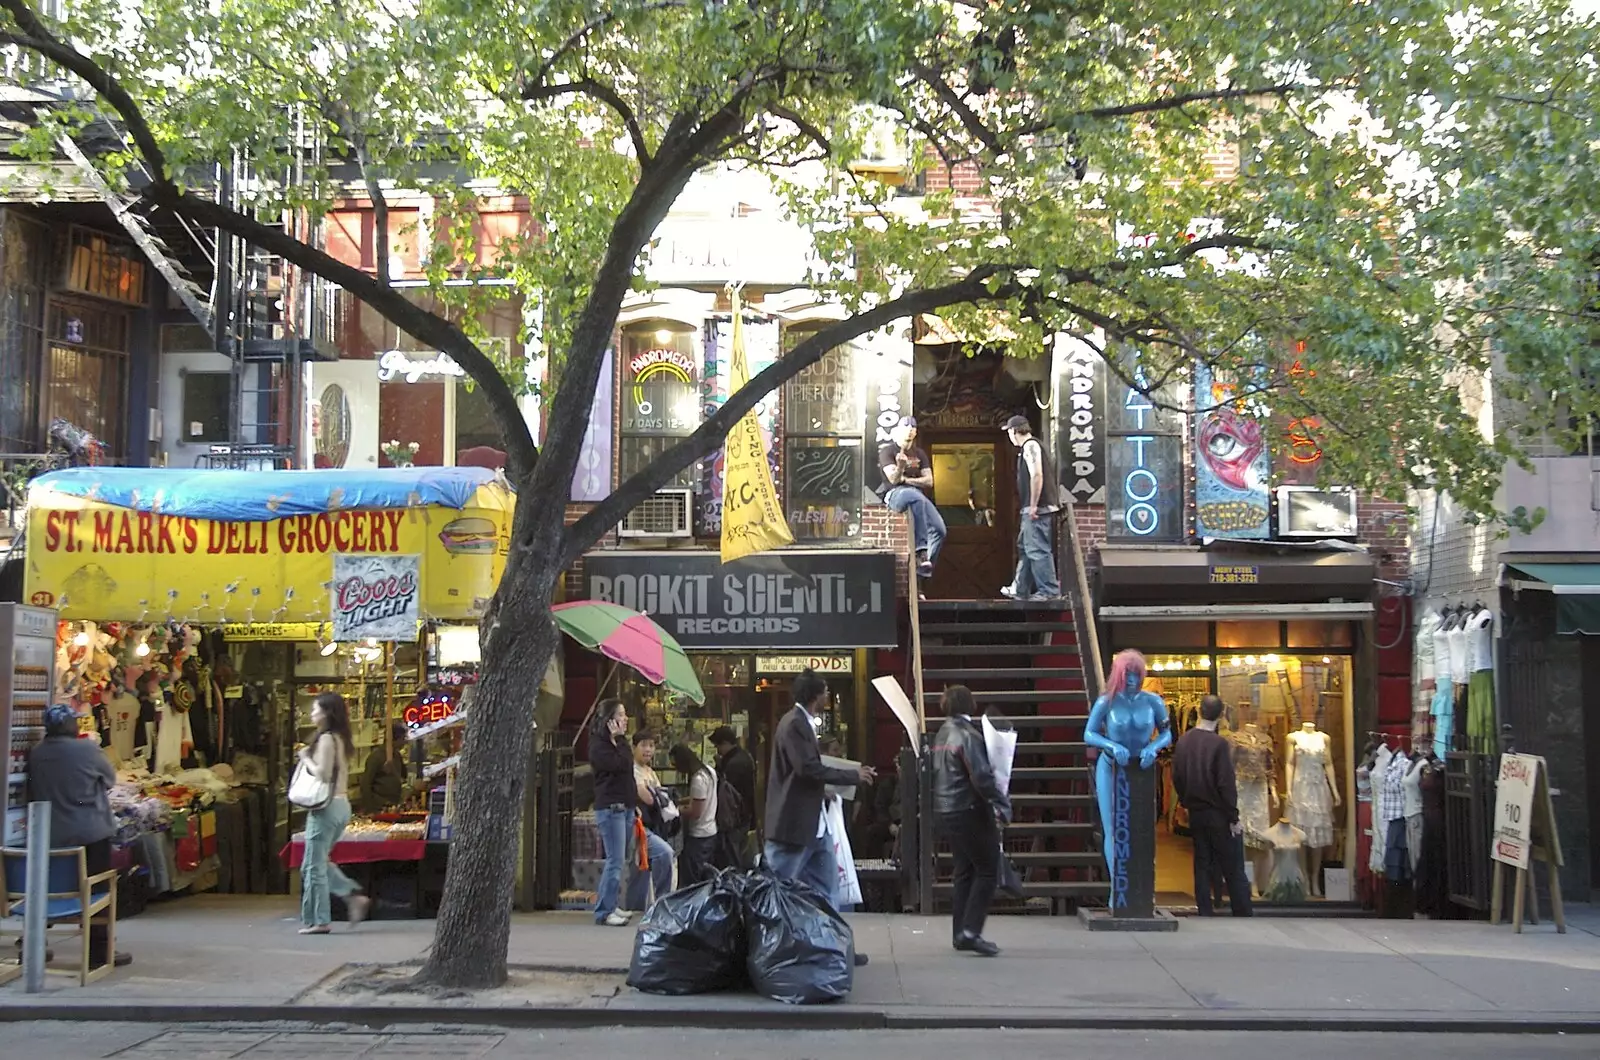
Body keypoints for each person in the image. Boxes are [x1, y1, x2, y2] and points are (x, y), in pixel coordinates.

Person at [765, 668, 876, 966]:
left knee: (829, 892)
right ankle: (766, 950)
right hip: (795, 826)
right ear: (815, 696)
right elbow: (808, 768)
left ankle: (839, 950)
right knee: (777, 890)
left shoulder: (800, 722)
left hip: (813, 825)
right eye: (825, 691)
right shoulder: (794, 725)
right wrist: (851, 775)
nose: (828, 695)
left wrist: (823, 791)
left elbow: (805, 773)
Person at [24, 705, 131, 967]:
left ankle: (34, 943)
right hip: (91, 831)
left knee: (51, 887)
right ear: (70, 725)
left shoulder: (37, 754)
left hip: (51, 835)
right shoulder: (87, 749)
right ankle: (98, 952)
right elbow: (109, 780)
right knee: (97, 889)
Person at [931, 686, 1011, 957]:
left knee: (964, 870)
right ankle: (971, 931)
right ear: (971, 704)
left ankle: (960, 931)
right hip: (968, 808)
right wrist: (1001, 802)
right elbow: (980, 775)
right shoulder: (969, 735)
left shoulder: (942, 732)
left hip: (945, 808)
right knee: (987, 869)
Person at [1084, 650, 1172, 885]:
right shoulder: (1107, 701)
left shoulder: (1153, 701)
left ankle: (1141, 887)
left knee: (1141, 826)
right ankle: (1117, 885)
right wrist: (1111, 745)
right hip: (1111, 766)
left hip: (1141, 767)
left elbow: (1167, 734)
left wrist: (1153, 748)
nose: (1132, 680)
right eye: (1128, 674)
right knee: (1113, 827)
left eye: (1137, 674)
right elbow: (1089, 733)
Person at [1173, 695, 1254, 917]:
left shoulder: (1184, 741)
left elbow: (1177, 777)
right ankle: (1242, 910)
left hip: (1196, 812)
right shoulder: (1219, 744)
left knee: (1202, 862)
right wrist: (1233, 817)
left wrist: (1186, 802)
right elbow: (1225, 784)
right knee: (1232, 865)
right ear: (1220, 716)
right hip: (1219, 813)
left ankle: (1205, 909)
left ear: (1198, 712)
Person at [297, 692, 372, 934]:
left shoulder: (327, 740)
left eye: (315, 709)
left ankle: (321, 920)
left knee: (314, 867)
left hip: (326, 807)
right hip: (340, 805)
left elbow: (323, 774)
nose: (311, 713)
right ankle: (350, 895)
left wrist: (305, 758)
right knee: (313, 863)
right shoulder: (340, 738)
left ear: (327, 712)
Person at [587, 699, 638, 926]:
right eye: (621, 715)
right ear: (610, 720)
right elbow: (624, 764)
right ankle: (604, 912)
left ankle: (611, 904)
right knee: (614, 860)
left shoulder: (615, 743)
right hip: (611, 809)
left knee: (621, 859)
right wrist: (620, 740)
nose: (625, 719)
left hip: (625, 807)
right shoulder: (599, 746)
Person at [1000, 414, 1062, 601]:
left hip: (1037, 508)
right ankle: (1019, 588)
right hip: (1036, 507)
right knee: (1026, 548)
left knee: (1037, 549)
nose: (1009, 436)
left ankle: (1049, 591)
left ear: (1013, 431)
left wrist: (1033, 505)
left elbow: (1036, 475)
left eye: (1009, 432)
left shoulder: (1030, 446)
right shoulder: (1035, 445)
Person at [878, 416, 946, 582]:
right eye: (905, 427)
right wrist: (901, 467)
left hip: (916, 495)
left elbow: (929, 481)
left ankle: (920, 574)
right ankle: (921, 552)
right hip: (895, 494)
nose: (908, 431)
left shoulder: (919, 454)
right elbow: (894, 480)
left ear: (915, 432)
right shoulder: (888, 451)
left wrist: (907, 480)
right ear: (898, 430)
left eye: (911, 428)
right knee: (916, 496)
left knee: (939, 530)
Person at [628, 731, 676, 912]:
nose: (648, 750)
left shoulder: (649, 771)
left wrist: (656, 794)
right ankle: (662, 904)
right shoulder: (633, 770)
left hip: (651, 825)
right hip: (636, 826)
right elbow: (648, 798)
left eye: (651, 745)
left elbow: (658, 796)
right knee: (664, 853)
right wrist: (656, 794)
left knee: (641, 870)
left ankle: (636, 910)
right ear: (634, 747)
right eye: (644, 745)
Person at [670, 744, 719, 887]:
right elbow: (699, 798)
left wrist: (675, 810)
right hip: (711, 831)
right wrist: (679, 800)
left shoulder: (698, 780)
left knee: (693, 878)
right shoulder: (709, 772)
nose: (675, 768)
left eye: (675, 764)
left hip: (699, 835)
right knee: (705, 875)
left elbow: (695, 812)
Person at [710, 725, 756, 861]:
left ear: (724, 743)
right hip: (743, 814)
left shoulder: (734, 764)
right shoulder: (743, 756)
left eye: (717, 746)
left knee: (733, 854)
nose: (717, 750)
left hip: (735, 816)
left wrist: (719, 766)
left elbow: (725, 791)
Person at [358, 722, 410, 813]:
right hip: (379, 806)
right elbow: (365, 784)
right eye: (403, 738)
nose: (405, 742)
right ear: (394, 739)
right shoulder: (376, 757)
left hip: (394, 805)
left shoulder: (397, 755)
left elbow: (404, 775)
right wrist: (371, 809)